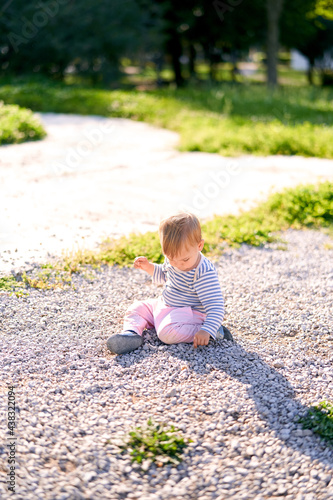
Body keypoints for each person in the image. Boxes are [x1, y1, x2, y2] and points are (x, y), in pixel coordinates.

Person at [106, 212, 233, 355]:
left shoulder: (203, 273)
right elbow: (165, 275)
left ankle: (215, 332)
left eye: (185, 260)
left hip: (188, 313)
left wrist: (206, 329)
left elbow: (216, 306)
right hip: (165, 304)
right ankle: (131, 334)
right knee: (137, 307)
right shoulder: (175, 257)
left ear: (199, 245)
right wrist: (149, 267)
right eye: (171, 259)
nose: (178, 265)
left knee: (166, 333)